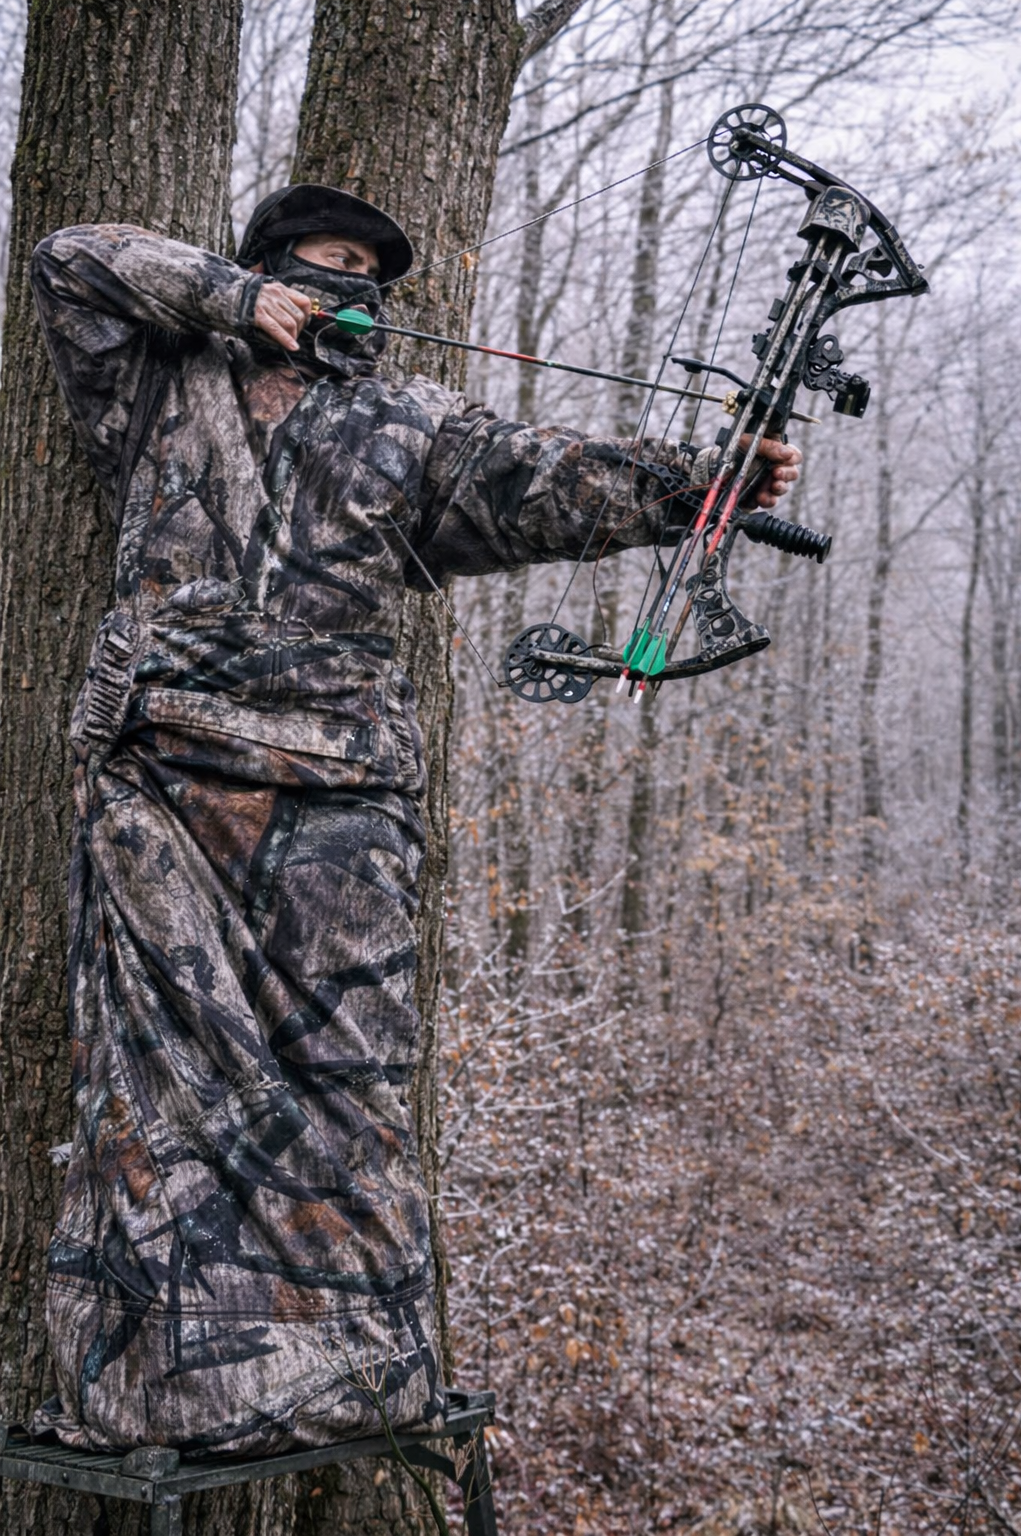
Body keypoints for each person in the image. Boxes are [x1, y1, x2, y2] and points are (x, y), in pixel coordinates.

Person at [28, 184, 800, 1455]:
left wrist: (700, 483)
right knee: (157, 1082)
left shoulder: (408, 422)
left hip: (339, 792)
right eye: (327, 266)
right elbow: (71, 258)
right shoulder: (162, 382)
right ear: (271, 268)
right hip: (165, 775)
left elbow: (544, 480)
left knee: (350, 1084)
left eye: (372, 274)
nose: (354, 288)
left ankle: (355, 1370)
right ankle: (158, 1384)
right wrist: (234, 304)